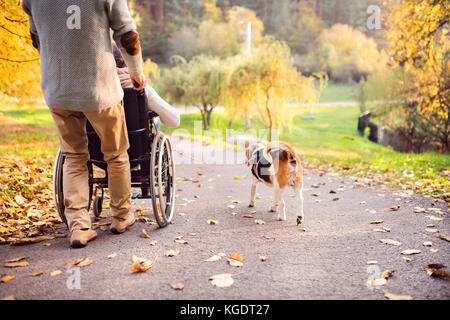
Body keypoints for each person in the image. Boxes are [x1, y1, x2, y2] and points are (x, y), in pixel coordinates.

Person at [22, 0, 146, 248]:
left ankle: (79, 226)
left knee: (74, 156)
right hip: (99, 89)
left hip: (58, 90)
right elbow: (127, 34)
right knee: (116, 154)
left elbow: (36, 38)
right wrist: (136, 71)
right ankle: (121, 217)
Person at [112, 43, 180, 128]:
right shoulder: (138, 86)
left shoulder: (96, 90)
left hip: (101, 139)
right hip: (135, 140)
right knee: (155, 119)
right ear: (127, 62)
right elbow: (174, 121)